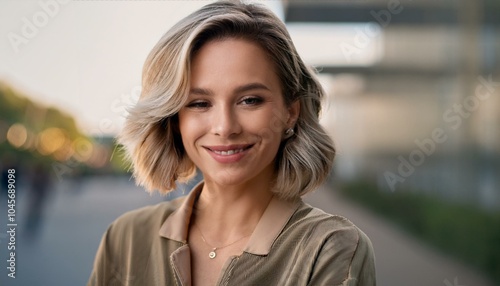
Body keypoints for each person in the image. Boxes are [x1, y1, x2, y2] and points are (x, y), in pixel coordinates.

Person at [88, 1, 376, 285]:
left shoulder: (331, 249)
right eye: (199, 103)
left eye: (250, 100)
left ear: (291, 112)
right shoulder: (125, 239)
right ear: (174, 119)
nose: (225, 127)